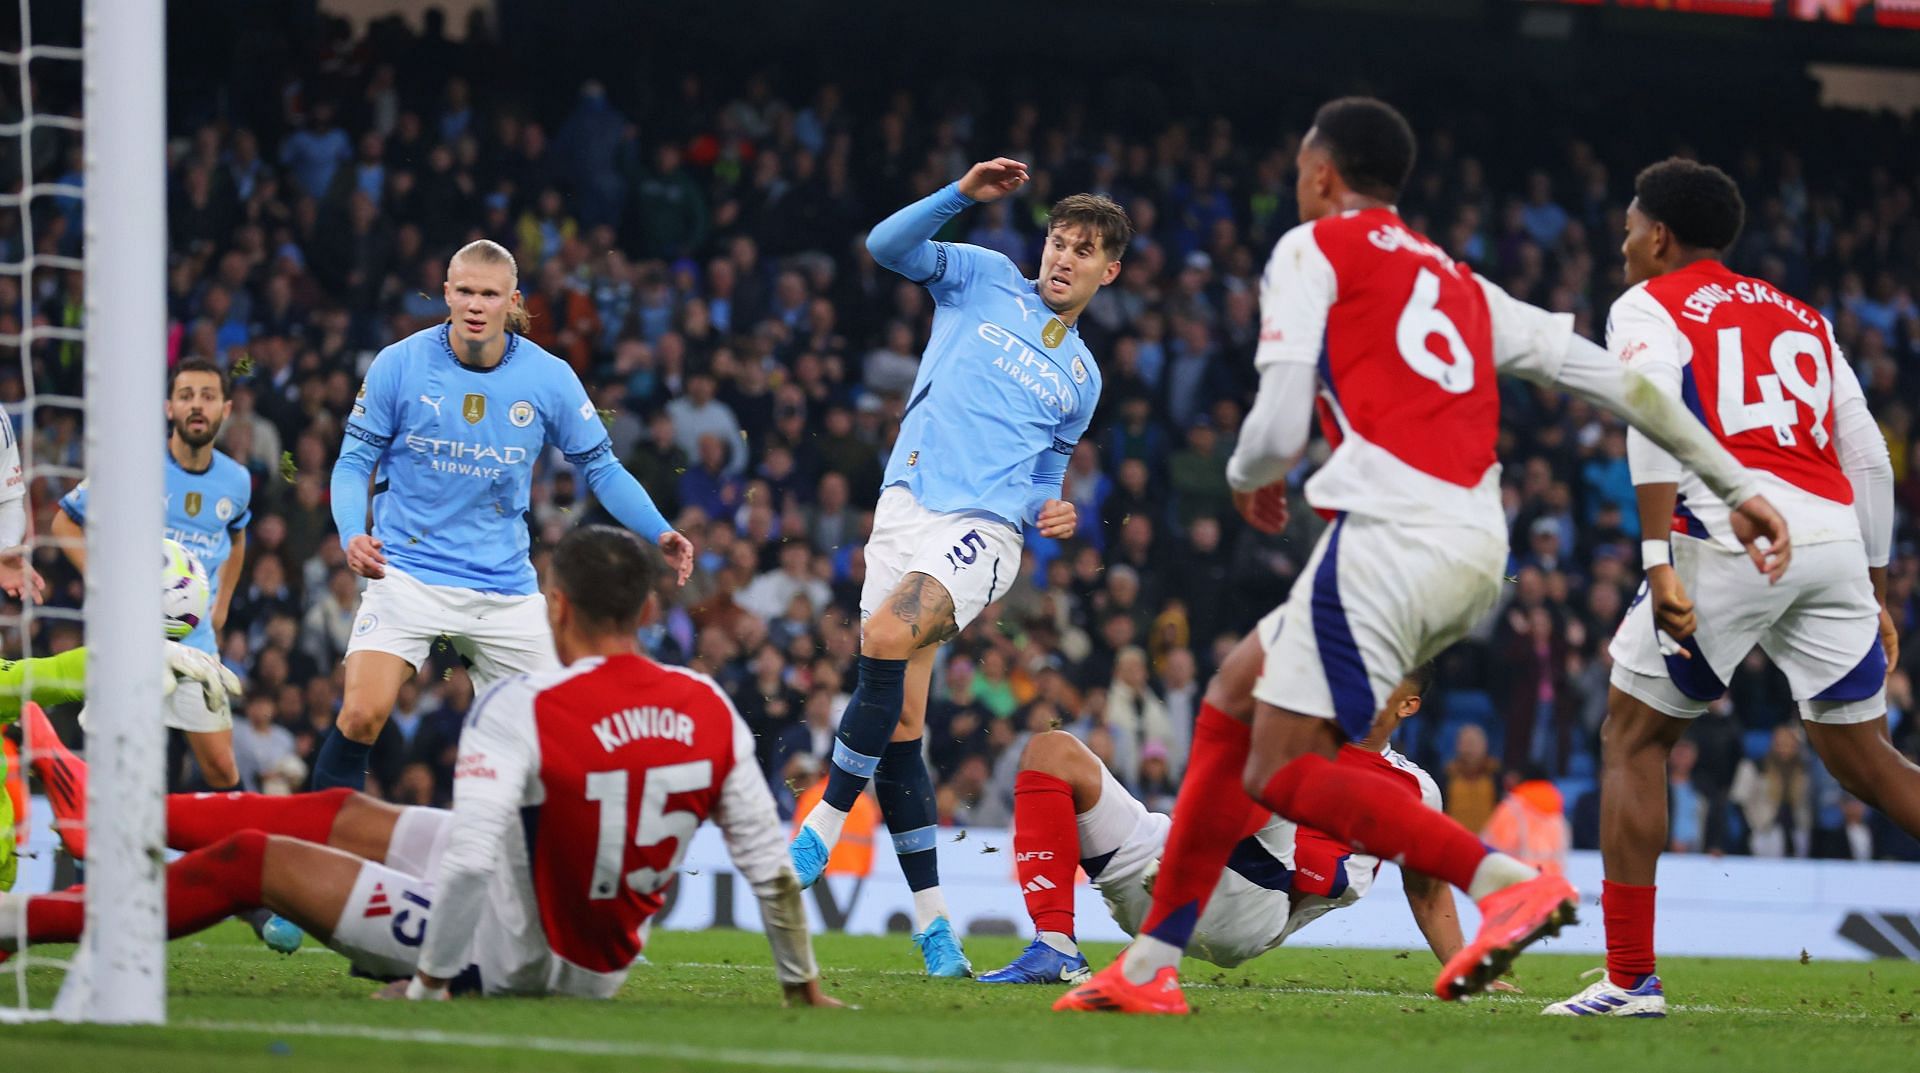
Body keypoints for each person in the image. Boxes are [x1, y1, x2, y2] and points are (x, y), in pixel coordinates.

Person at [1057, 97, 1791, 1015]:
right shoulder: (1459, 281)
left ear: (1323, 175)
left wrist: (1251, 475)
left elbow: (1279, 423)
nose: (1296, 186)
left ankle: (1502, 882)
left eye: (1298, 171)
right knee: (1231, 703)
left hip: (1388, 530)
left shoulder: (1311, 250)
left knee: (1277, 767)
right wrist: (1739, 486)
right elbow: (1620, 381)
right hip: (1478, 546)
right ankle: (1149, 966)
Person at [10, 526, 836, 1007]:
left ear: (555, 606)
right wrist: (800, 982)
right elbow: (771, 871)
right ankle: (122, 816)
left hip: (507, 951)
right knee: (335, 812)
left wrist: (434, 981)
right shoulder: (706, 702)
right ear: (649, 610)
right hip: (594, 950)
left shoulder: (528, 703)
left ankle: (21, 925)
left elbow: (473, 859)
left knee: (252, 863)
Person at [1546, 159, 1920, 1019]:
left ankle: (1631, 979)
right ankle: (1630, 976)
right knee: (1867, 761)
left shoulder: (1647, 302)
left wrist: (1655, 559)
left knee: (1632, 736)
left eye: (1632, 226)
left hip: (1733, 531)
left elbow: (1649, 409)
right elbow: (1866, 455)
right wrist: (1874, 583)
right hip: (1830, 538)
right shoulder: (1802, 314)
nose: (1624, 241)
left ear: (1661, 236)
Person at [786, 158, 1130, 977]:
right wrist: (959, 198)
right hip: (902, 506)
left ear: (1107, 271)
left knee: (882, 634)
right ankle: (937, 928)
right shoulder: (982, 277)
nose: (1063, 257)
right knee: (901, 722)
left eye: (1083, 250)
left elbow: (1048, 473)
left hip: (984, 532)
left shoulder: (1083, 377)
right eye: (1057, 240)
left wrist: (1057, 510)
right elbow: (884, 246)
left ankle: (821, 830)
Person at [314, 239, 694, 792]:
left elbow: (602, 468)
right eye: (463, 291)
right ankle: (317, 852)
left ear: (512, 301)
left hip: (503, 587)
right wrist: (353, 533)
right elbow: (353, 463)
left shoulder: (549, 377)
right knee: (361, 716)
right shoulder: (400, 363)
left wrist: (657, 528)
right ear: (446, 293)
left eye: (488, 294)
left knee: (554, 748)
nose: (474, 304)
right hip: (407, 572)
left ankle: (541, 871)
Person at [984, 668, 1493, 985]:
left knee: (1286, 764)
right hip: (1170, 858)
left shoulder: (1414, 788)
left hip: (1255, 905)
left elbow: (1427, 891)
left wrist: (1466, 965)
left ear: (1408, 705)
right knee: (1050, 752)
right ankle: (1056, 948)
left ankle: (1185, 869)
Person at [53, 357, 253, 790]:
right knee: (122, 767)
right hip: (131, 639)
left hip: (196, 643)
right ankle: (99, 856)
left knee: (221, 768)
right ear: (168, 409)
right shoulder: (133, 465)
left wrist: (222, 605)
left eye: (207, 396)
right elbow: (64, 523)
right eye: (185, 397)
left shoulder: (237, 480)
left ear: (226, 409)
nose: (196, 406)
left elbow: (237, 538)